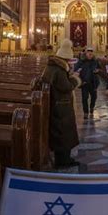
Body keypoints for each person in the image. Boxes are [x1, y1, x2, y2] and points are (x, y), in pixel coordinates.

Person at [41, 38, 82, 168]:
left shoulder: (53, 66)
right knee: (64, 134)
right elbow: (66, 87)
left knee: (61, 134)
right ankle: (63, 161)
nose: (70, 62)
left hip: (57, 104)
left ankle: (64, 158)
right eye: (69, 60)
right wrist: (75, 78)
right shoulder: (59, 69)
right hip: (61, 107)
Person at [75, 46, 100, 119]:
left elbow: (99, 68)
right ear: (86, 53)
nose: (90, 54)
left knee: (94, 97)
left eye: (91, 53)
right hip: (84, 82)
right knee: (84, 98)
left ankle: (92, 107)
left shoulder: (95, 61)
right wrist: (78, 73)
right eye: (88, 53)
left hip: (93, 82)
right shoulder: (81, 61)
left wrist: (98, 70)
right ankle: (85, 112)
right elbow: (76, 69)